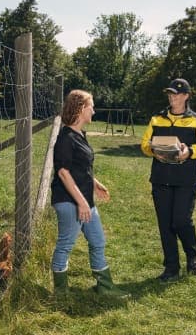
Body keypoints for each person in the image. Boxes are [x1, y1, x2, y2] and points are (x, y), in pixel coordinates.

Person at [50, 89, 129, 298]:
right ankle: (60, 292)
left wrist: (94, 183)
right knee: (66, 244)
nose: (94, 110)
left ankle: (104, 287)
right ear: (81, 108)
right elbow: (63, 173)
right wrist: (81, 203)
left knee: (98, 241)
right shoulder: (65, 138)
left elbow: (80, 168)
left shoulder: (79, 135)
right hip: (69, 201)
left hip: (84, 199)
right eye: (91, 106)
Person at [140, 78, 196, 282]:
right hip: (161, 179)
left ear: (186, 96)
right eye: (170, 94)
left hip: (186, 180)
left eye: (177, 94)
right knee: (165, 225)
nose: (173, 97)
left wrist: (189, 151)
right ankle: (171, 267)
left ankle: (192, 255)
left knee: (181, 221)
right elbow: (145, 143)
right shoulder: (157, 119)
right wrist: (153, 150)